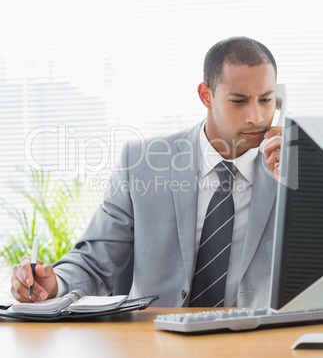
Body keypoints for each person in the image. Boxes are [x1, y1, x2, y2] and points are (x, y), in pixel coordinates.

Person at [11, 36, 283, 307]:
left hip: (259, 339)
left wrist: (304, 183)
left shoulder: (291, 169)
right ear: (206, 95)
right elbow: (95, 260)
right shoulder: (142, 164)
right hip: (156, 338)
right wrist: (55, 283)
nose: (256, 117)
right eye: (239, 101)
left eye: (266, 99)